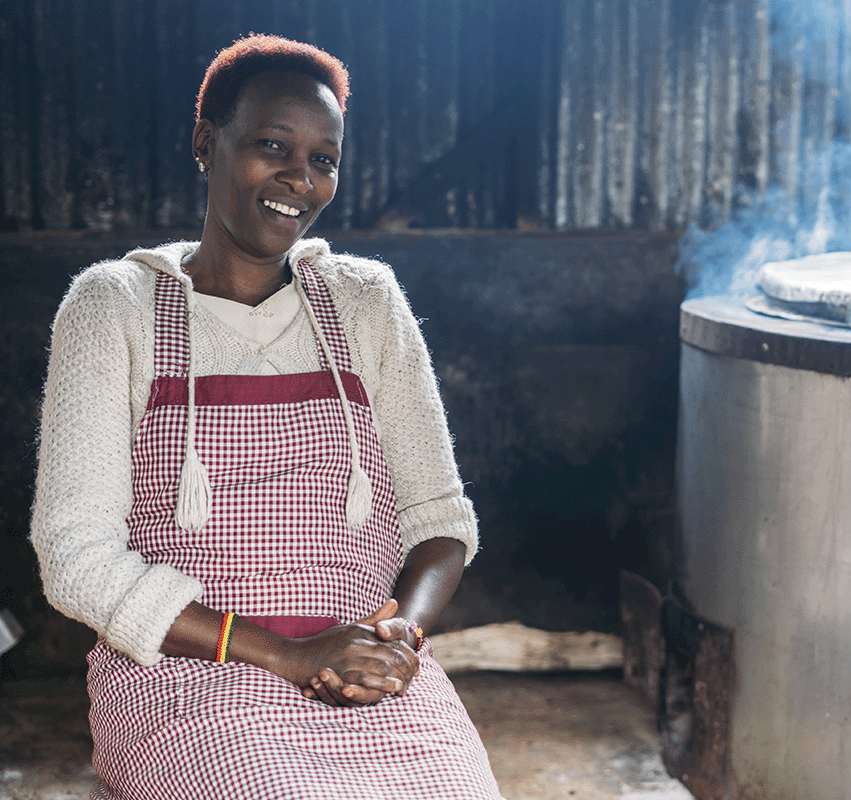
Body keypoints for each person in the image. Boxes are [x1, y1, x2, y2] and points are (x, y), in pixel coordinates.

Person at [31, 34, 503, 799]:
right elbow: (76, 559)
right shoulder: (113, 307)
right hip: (188, 674)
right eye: (272, 146)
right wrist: (285, 655)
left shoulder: (366, 302)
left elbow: (440, 518)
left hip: (361, 663)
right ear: (205, 144)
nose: (300, 178)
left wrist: (398, 640)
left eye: (323, 159)